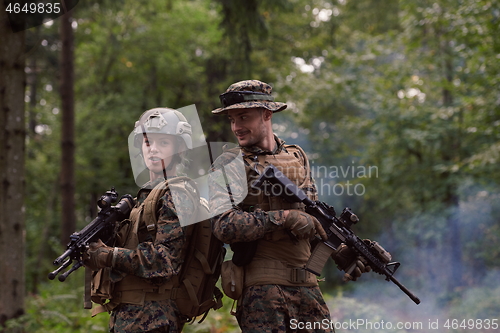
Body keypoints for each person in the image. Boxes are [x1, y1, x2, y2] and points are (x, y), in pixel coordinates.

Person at [208, 80, 368, 333]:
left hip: (308, 287)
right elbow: (222, 226)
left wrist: (338, 250)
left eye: (243, 117)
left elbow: (312, 220)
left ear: (267, 114)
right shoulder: (228, 163)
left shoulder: (296, 156)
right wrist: (283, 217)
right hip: (263, 291)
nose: (236, 127)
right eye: (231, 119)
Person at [84, 107, 197, 333]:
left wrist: (107, 255)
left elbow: (164, 261)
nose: (153, 150)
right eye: (147, 142)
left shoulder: (177, 193)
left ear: (180, 147)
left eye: (163, 143)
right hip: (131, 316)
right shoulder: (147, 195)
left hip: (154, 318)